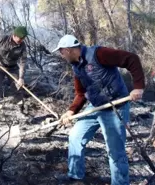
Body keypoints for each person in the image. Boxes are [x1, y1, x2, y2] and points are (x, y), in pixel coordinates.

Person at [52, 35, 145, 185]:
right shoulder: (76, 66)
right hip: (95, 106)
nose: (61, 55)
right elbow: (81, 93)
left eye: (61, 52)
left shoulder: (98, 54)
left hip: (115, 107)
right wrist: (71, 111)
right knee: (75, 136)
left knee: (115, 152)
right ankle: (75, 176)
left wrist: (138, 87)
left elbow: (131, 58)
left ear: (68, 50)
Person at [0, 26, 28, 116]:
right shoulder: (2, 38)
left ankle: (21, 109)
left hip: (13, 68)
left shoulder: (22, 46)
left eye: (23, 38)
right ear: (14, 35)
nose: (22, 40)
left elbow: (23, 62)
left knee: (18, 87)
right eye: (20, 38)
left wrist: (21, 78)